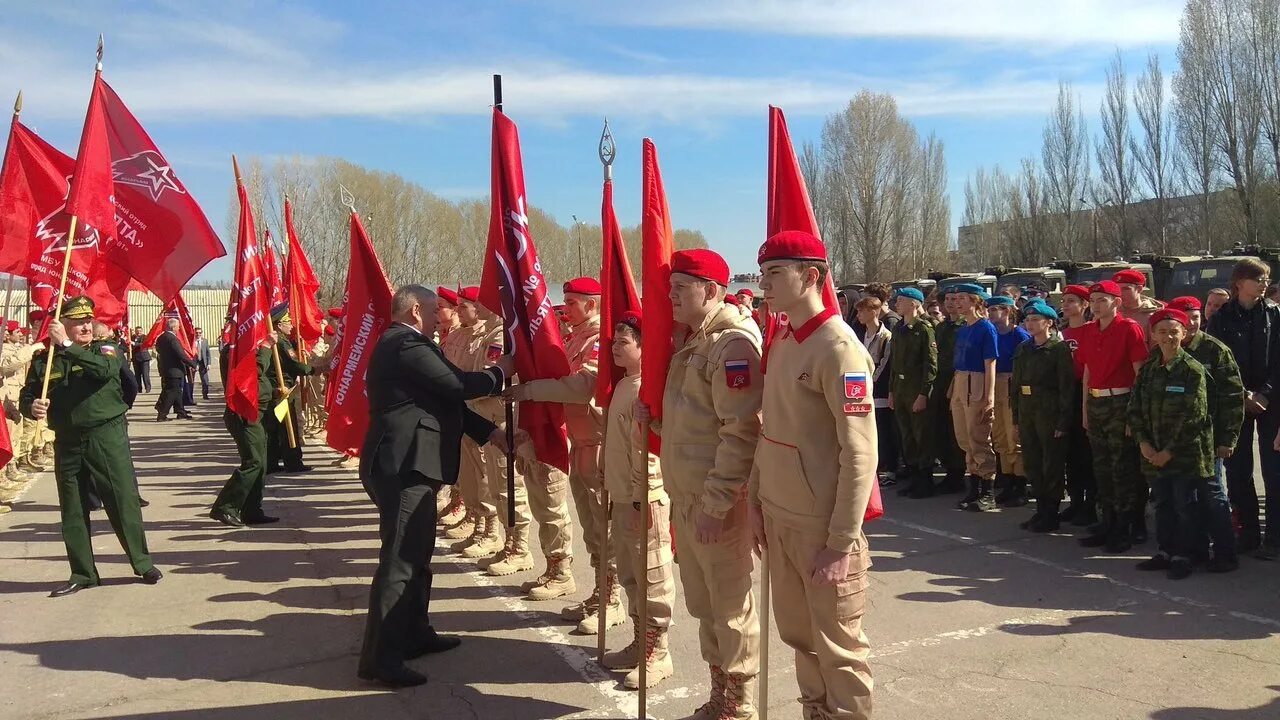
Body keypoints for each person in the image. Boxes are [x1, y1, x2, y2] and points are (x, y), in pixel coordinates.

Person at [357, 284, 514, 688]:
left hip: (412, 464)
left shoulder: (407, 344)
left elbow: (444, 403)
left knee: (417, 554)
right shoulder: (405, 343)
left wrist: (489, 433)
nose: (437, 318)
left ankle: (414, 633)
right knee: (400, 561)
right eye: (431, 311)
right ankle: (381, 658)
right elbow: (457, 385)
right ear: (414, 312)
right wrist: (501, 372)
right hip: (402, 466)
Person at [749, 230, 877, 720]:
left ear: (811, 276)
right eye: (763, 273)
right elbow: (771, 431)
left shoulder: (838, 348)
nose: (764, 284)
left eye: (775, 273)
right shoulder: (783, 339)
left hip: (821, 528)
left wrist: (840, 543)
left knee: (839, 650)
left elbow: (860, 454)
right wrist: (756, 501)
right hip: (781, 516)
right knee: (801, 638)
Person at [634, 248, 762, 720]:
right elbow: (697, 424)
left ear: (710, 290)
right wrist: (657, 423)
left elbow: (740, 432)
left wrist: (716, 503)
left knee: (729, 607)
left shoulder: (731, 345)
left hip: (715, 502)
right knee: (705, 604)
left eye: (679, 289)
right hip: (688, 497)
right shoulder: (693, 341)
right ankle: (720, 695)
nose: (669, 297)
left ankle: (739, 706)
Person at [20, 296, 162, 597]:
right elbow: (27, 394)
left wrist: (68, 346)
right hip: (68, 440)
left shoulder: (105, 349)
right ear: (62, 325)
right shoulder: (45, 360)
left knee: (121, 500)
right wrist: (31, 406)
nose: (86, 327)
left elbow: (105, 372)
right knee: (72, 509)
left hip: (105, 435)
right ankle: (83, 573)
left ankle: (142, 562)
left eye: (88, 321)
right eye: (78, 322)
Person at [507, 278, 622, 633]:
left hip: (599, 445)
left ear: (592, 304)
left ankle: (612, 599)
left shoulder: (599, 340)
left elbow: (583, 387)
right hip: (580, 443)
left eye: (572, 302)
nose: (566, 308)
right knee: (592, 529)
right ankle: (600, 593)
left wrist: (531, 390)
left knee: (606, 528)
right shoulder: (574, 338)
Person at [598, 311, 676, 690]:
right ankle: (639, 641)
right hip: (622, 497)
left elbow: (648, 454)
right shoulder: (624, 385)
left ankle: (658, 652)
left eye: (624, 342)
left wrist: (640, 499)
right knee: (631, 575)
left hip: (642, 501)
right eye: (614, 341)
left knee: (652, 576)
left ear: (644, 347)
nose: (615, 347)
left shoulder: (646, 389)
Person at [1130, 308, 1214, 580]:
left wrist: (1169, 451)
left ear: (1184, 333)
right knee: (1163, 504)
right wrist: (1143, 442)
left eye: (1174, 331)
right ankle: (1166, 551)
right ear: (1153, 335)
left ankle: (1186, 555)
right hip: (1153, 452)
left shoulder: (1192, 370)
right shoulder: (1149, 369)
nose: (1168, 337)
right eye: (1162, 332)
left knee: (1185, 506)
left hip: (1183, 455)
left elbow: (1195, 417)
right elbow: (1135, 407)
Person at [1207, 258, 1280, 558]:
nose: (1264, 284)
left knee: (1274, 470)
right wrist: (1243, 394)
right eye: (1258, 278)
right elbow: (1218, 364)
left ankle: (1274, 538)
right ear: (1239, 282)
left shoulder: (1275, 314)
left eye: (1266, 279)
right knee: (1238, 470)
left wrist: (1265, 393)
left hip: (1271, 400)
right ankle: (1248, 532)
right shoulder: (1221, 318)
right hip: (1235, 400)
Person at [1165, 296, 1242, 572]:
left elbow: (1233, 397)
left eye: (1196, 317)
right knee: (1185, 499)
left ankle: (1225, 553)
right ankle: (1195, 550)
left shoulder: (1215, 350)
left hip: (1208, 440)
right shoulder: (1167, 350)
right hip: (1177, 440)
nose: (1192, 322)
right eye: (1185, 318)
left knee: (1213, 497)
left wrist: (1227, 439)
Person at [1078, 281, 1150, 553]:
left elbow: (1139, 374)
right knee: (1102, 468)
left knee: (1124, 468)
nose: (1096, 306)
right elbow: (1087, 372)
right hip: (1096, 401)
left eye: (1102, 300)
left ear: (1116, 303)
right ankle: (1107, 523)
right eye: (1093, 300)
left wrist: (1135, 414)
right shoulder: (1089, 330)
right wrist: (1085, 408)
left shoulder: (1129, 328)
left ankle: (1126, 527)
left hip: (1121, 402)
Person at [1010, 302, 1075, 532]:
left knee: (1052, 464)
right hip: (1027, 412)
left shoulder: (1058, 349)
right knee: (1033, 463)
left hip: (1049, 413)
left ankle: (1051, 513)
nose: (1030, 324)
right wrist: (1016, 418)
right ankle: (1040, 510)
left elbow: (1066, 388)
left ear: (1049, 323)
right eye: (1028, 320)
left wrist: (1063, 421)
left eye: (1036, 320)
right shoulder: (1023, 348)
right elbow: (1015, 386)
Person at [211, 332, 278, 527]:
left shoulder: (249, 348)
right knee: (253, 462)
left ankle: (252, 509)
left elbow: (259, 383)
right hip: (244, 413)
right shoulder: (235, 350)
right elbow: (251, 374)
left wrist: (273, 392)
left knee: (261, 464)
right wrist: (266, 348)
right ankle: (225, 507)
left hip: (257, 412)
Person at [950, 284, 1000, 512]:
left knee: (978, 436)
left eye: (963, 298)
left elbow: (990, 364)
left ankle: (988, 491)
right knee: (964, 437)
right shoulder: (964, 328)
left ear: (975, 301)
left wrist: (989, 396)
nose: (958, 302)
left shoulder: (986, 328)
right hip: (960, 380)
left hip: (977, 381)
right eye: (956, 298)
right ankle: (974, 487)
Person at [888, 287, 938, 499]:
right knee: (907, 435)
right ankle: (914, 477)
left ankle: (925, 481)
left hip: (916, 388)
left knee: (921, 435)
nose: (897, 304)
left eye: (901, 300)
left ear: (914, 304)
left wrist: (924, 394)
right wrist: (891, 391)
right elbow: (894, 363)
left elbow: (931, 364)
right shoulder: (899, 328)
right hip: (900, 389)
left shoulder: (924, 329)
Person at [1057, 285, 1098, 527]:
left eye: (1071, 301)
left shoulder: (1091, 330)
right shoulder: (1061, 334)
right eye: (1064, 300)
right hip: (1066, 394)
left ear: (1084, 305)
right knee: (1070, 453)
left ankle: (1090, 505)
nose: (1065, 304)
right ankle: (1075, 502)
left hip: (1086, 391)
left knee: (1087, 454)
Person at [988, 295, 1029, 507]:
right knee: (1000, 436)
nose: (990, 313)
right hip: (995, 383)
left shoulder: (1018, 334)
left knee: (1014, 437)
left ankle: (1020, 484)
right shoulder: (992, 333)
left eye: (994, 309)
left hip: (1012, 384)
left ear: (1006, 311)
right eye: (989, 309)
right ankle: (1007, 480)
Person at [265, 305, 314, 474]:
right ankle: (292, 461)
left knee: (274, 428)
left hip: (275, 388)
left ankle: (271, 462)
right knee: (288, 427)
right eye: (288, 322)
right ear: (279, 325)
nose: (292, 325)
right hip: (282, 389)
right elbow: (293, 364)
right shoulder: (281, 341)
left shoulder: (279, 339)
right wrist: (313, 369)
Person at [433, 287, 466, 525]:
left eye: (440, 307)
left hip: (462, 405)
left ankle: (460, 505)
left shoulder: (460, 334)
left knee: (466, 464)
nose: (436, 312)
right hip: (447, 404)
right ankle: (454, 501)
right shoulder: (447, 335)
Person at [856, 296, 897, 482]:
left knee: (883, 429)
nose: (858, 315)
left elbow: (884, 364)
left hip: (878, 389)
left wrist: (869, 382)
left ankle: (889, 468)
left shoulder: (886, 337)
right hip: (863, 389)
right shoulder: (861, 335)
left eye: (862, 311)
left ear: (873, 311)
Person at [933, 289, 968, 494]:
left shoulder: (965, 327)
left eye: (955, 299)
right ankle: (949, 470)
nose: (950, 303)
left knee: (957, 430)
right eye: (947, 299)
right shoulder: (942, 327)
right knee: (943, 429)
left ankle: (958, 473)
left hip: (957, 380)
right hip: (940, 381)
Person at [154, 318, 195, 421]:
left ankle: (180, 411)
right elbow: (180, 354)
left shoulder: (161, 337)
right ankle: (162, 413)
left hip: (166, 369)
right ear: (173, 327)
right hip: (174, 370)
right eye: (178, 326)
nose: (179, 328)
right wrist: (192, 364)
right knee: (171, 392)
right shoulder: (172, 339)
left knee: (177, 391)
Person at [1114, 269, 1164, 342]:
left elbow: (1156, 345)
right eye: (1117, 289)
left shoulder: (1153, 314)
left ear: (1139, 289)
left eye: (1126, 289)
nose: (1120, 293)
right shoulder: (1111, 311)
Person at [130, 326, 152, 393]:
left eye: (140, 331)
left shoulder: (145, 337)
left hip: (144, 358)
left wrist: (134, 343)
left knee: (145, 374)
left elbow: (144, 344)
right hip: (135, 358)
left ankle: (147, 388)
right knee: (137, 375)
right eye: (137, 331)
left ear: (142, 331)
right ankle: (139, 388)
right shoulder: (132, 337)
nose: (138, 332)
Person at [193, 327, 212, 400]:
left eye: (200, 333)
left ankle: (205, 394)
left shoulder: (205, 341)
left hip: (203, 363)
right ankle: (189, 397)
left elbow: (208, 353)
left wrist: (209, 364)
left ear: (202, 333)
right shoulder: (192, 341)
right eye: (196, 333)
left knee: (205, 380)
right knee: (191, 381)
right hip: (194, 363)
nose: (198, 334)